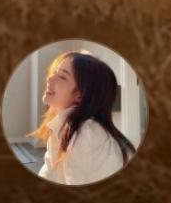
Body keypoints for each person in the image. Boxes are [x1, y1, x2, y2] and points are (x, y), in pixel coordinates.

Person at [31, 50, 136, 186]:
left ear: (80, 95)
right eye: (54, 73)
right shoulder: (61, 127)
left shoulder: (88, 134)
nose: (49, 79)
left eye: (62, 77)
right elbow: (49, 172)